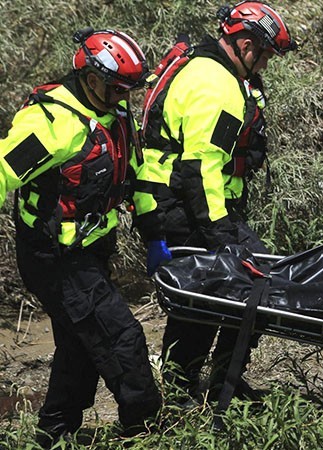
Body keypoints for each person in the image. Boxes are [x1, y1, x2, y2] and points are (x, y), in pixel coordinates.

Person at [0, 28, 161, 446]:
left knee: (80, 344)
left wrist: (156, 234)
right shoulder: (52, 123)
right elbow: (3, 170)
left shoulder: (114, 113)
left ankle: (54, 433)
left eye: (128, 90)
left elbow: (138, 173)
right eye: (116, 88)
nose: (123, 97)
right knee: (121, 339)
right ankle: (146, 432)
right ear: (91, 78)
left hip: (90, 252)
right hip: (56, 258)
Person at [132, 1, 297, 402]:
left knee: (251, 286)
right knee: (201, 304)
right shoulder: (216, 84)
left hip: (185, 200)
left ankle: (224, 380)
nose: (266, 66)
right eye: (266, 56)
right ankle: (182, 392)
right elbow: (199, 167)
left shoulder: (208, 67)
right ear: (244, 44)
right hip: (180, 205)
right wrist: (222, 234)